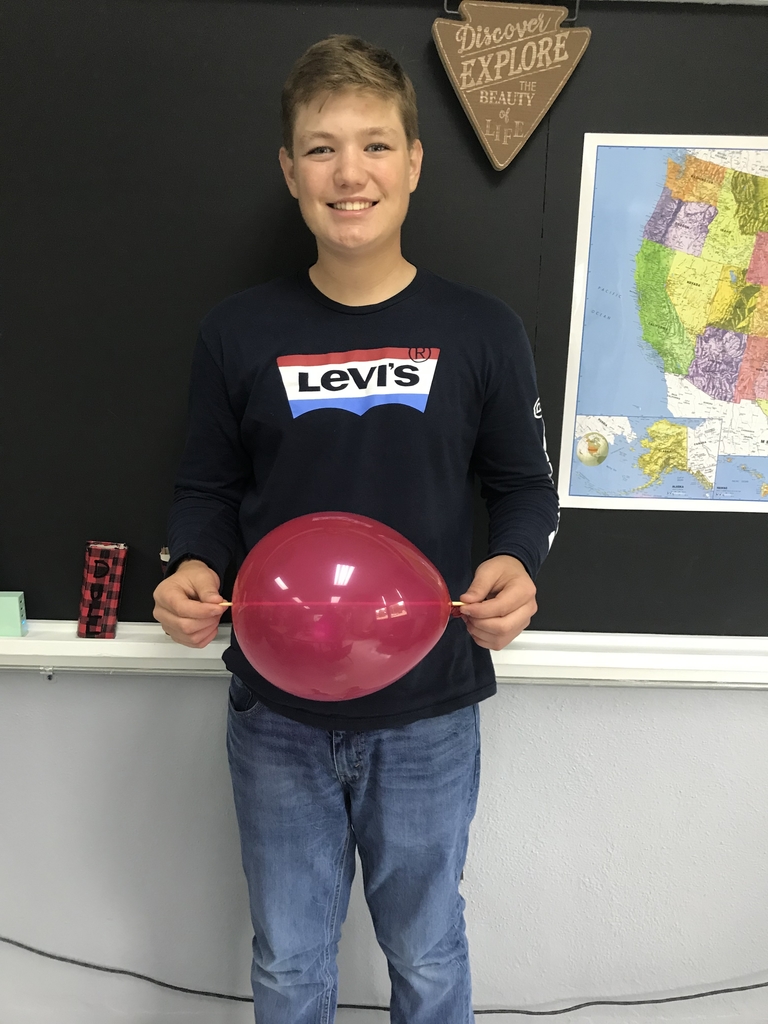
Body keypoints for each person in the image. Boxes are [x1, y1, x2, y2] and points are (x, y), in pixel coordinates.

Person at [153, 34, 558, 1024]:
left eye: (375, 145)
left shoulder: (483, 330)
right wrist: (193, 561)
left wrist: (516, 561)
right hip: (277, 717)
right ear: (289, 170)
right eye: (321, 148)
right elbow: (206, 487)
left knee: (427, 952)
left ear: (413, 163)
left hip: (428, 714)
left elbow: (524, 487)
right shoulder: (236, 333)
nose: (350, 173)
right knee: (289, 964)